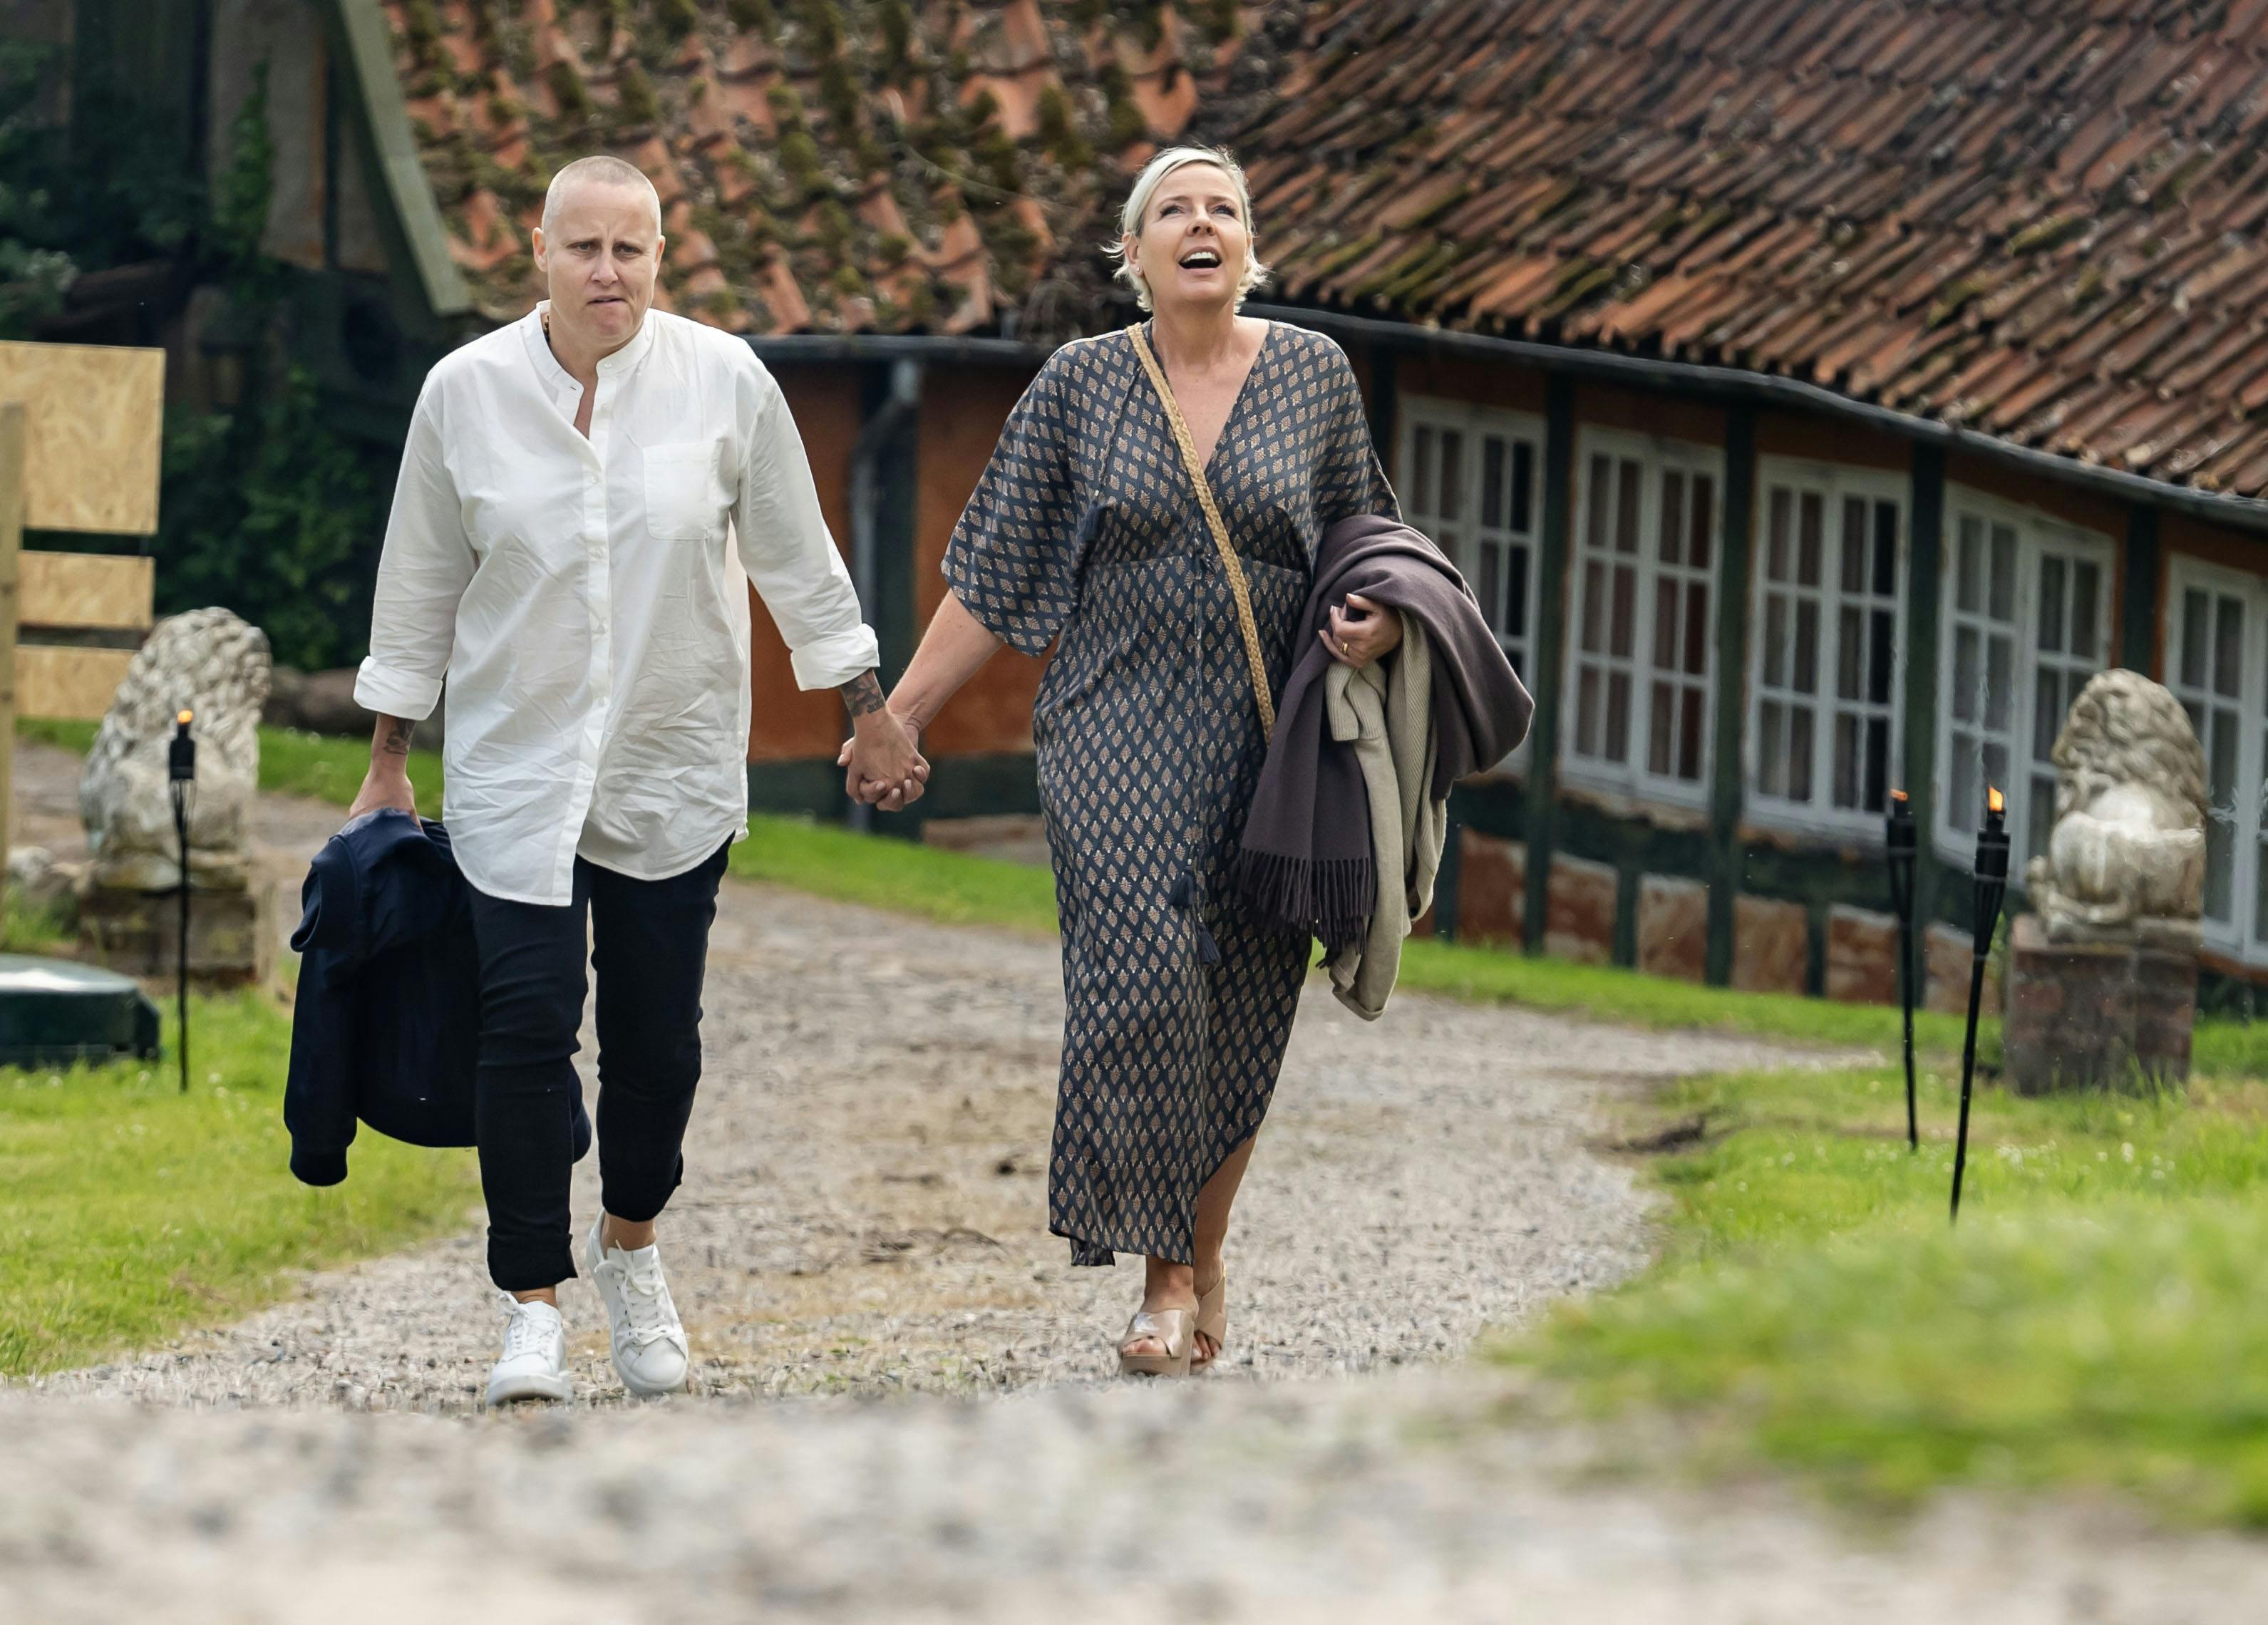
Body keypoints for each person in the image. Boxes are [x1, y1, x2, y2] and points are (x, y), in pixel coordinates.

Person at [349, 155, 924, 1405]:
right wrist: (389, 758)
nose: (607, 273)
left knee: (658, 1047)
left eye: (632, 251)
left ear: (660, 259)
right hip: (515, 771)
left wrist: (868, 710)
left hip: (671, 763)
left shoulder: (725, 382)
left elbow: (795, 555)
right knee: (522, 1032)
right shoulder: (464, 394)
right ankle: (531, 1310)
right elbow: (417, 587)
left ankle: (631, 1248)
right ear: (539, 256)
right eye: (584, 249)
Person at [847, 145, 1401, 1376]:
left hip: (1273, 742)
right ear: (1135, 252)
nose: (1202, 225)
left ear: (1250, 249)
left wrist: (1376, 616)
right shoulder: (1081, 384)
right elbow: (992, 570)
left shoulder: (1313, 375)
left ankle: (1202, 1253)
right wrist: (902, 715)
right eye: (1175, 210)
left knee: (1245, 999)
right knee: (1144, 977)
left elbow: (1373, 544)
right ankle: (1160, 1279)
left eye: (1225, 210)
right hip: (1114, 724)